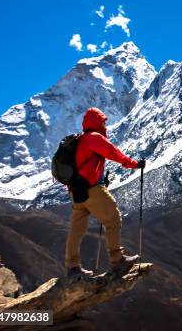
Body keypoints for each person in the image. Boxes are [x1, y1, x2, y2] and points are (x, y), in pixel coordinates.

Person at [65, 107, 145, 277]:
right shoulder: (94, 138)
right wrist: (134, 164)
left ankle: (72, 266)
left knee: (77, 227)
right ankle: (118, 261)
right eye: (103, 122)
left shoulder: (80, 139)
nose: (105, 126)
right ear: (96, 123)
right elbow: (113, 153)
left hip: (76, 191)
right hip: (91, 189)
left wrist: (100, 178)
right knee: (113, 219)